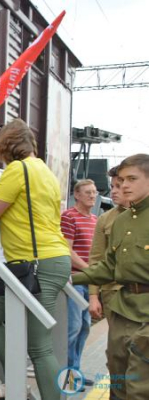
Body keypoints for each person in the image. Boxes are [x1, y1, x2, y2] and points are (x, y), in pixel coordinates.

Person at [0, 119, 71, 400]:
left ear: (6, 147)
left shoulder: (17, 170)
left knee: (40, 346)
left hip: (35, 264)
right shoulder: (44, 171)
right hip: (40, 261)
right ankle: (16, 376)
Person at [71, 153, 149, 400]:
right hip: (123, 308)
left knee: (140, 387)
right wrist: (69, 279)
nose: (124, 185)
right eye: (122, 179)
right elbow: (108, 267)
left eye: (132, 179)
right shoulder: (120, 220)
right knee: (118, 378)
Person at [87, 167, 125, 376]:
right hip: (113, 294)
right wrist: (94, 296)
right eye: (113, 187)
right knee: (117, 353)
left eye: (120, 186)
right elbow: (96, 260)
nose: (115, 191)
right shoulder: (105, 219)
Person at [61, 179, 98, 383]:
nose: (92, 196)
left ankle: (75, 370)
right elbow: (67, 249)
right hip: (75, 279)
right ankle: (65, 370)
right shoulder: (69, 217)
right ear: (77, 195)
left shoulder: (94, 219)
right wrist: (88, 268)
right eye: (87, 192)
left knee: (84, 327)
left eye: (94, 192)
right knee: (73, 326)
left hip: (89, 280)